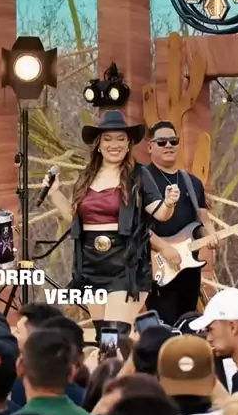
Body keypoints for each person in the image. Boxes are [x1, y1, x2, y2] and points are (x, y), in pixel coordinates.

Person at [43, 110, 180, 327]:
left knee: (115, 333)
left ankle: (125, 347)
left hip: (125, 263)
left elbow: (160, 213)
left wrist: (169, 203)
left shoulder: (139, 175)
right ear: (98, 144)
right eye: (107, 139)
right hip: (91, 264)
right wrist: (54, 193)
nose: (114, 145)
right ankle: (129, 349)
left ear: (128, 144)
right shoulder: (86, 176)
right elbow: (75, 218)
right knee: (103, 334)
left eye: (120, 139)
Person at [145, 121, 217, 327]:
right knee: (163, 328)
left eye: (173, 141)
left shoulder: (192, 182)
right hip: (157, 265)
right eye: (162, 142)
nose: (168, 145)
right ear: (150, 147)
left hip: (189, 266)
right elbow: (135, 226)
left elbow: (201, 218)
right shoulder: (142, 180)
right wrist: (164, 248)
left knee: (188, 325)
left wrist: (210, 234)